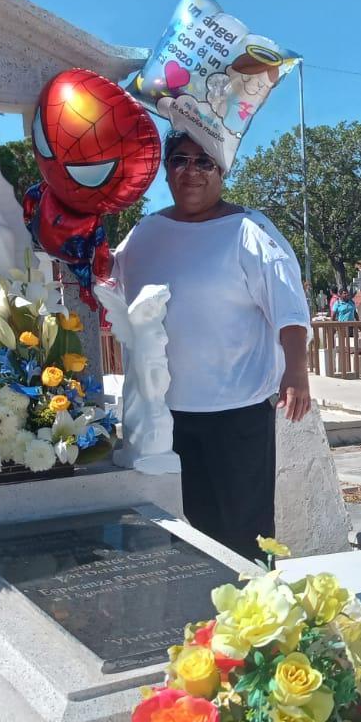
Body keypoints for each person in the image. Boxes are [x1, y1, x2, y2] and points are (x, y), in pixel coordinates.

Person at [111, 131, 310, 558]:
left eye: (204, 162)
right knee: (183, 540)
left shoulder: (248, 231)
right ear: (166, 170)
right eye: (180, 160)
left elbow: (288, 309)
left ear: (222, 171)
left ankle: (256, 623)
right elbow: (109, 280)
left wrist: (296, 371)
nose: (191, 172)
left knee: (244, 538)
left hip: (236, 414)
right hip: (163, 415)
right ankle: (198, 622)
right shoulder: (146, 232)